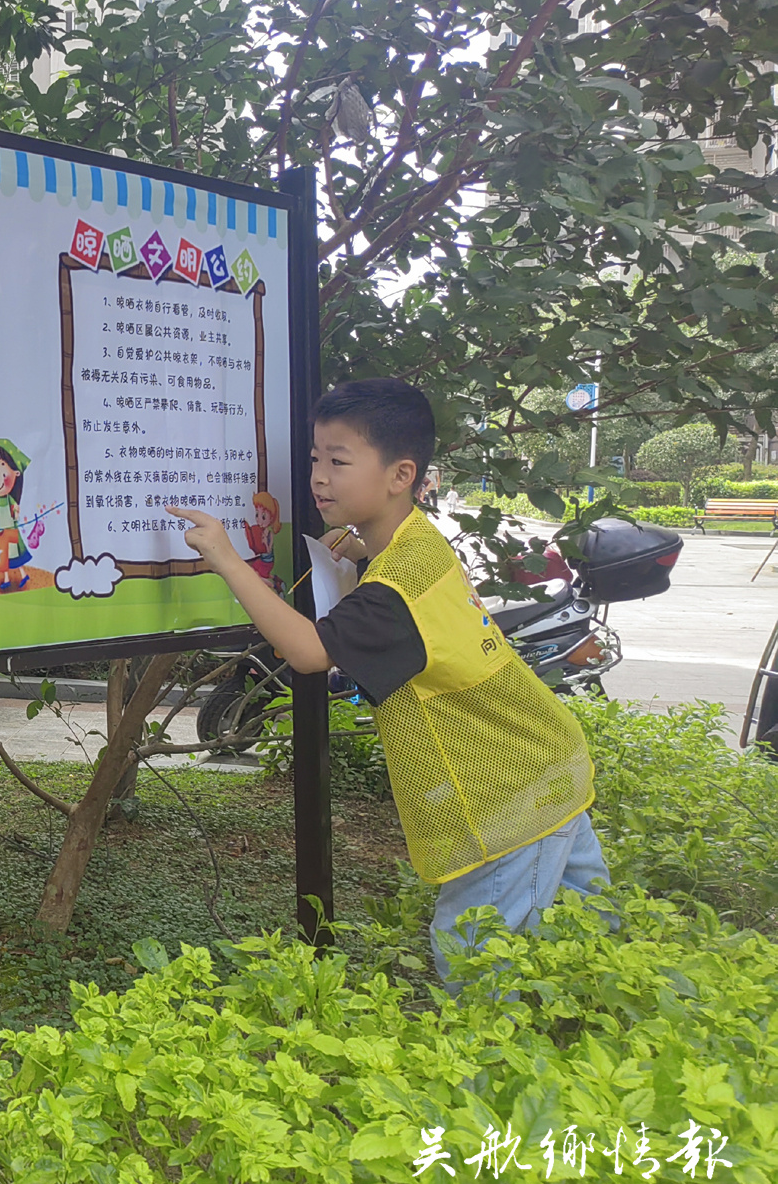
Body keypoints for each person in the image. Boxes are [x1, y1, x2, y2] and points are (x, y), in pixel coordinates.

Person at [168, 378, 608, 982]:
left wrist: (226, 557)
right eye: (316, 458)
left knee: (475, 964)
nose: (319, 477)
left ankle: (488, 1074)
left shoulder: (394, 587)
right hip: (547, 763)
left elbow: (306, 651)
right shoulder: (412, 542)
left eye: (339, 462)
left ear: (402, 474)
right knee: (593, 947)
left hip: (511, 796)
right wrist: (353, 556)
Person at [0, 437, 32, 591]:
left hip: (11, 533)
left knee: (16, 557)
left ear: (16, 472)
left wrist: (16, 513)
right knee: (4, 559)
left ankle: (23, 575)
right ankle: (8, 579)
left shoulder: (9, 499)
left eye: (3, 472)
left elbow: (15, 510)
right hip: (2, 534)